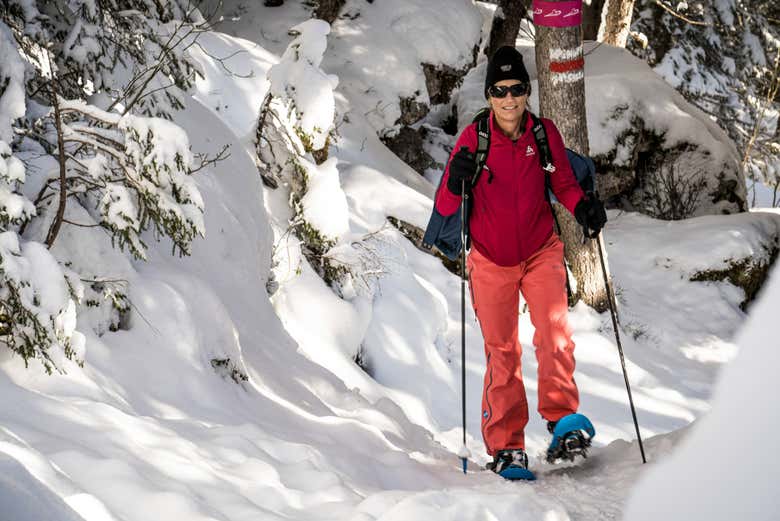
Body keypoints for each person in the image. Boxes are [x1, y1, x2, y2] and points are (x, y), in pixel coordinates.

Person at [434, 46, 607, 476]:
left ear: (527, 91)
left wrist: (582, 207)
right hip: (491, 260)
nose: (509, 98)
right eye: (499, 90)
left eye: (516, 89)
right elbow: (445, 203)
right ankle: (507, 446)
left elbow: (563, 183)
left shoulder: (543, 133)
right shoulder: (475, 138)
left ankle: (563, 419)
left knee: (554, 331)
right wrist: (456, 178)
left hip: (540, 249)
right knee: (502, 352)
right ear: (489, 94)